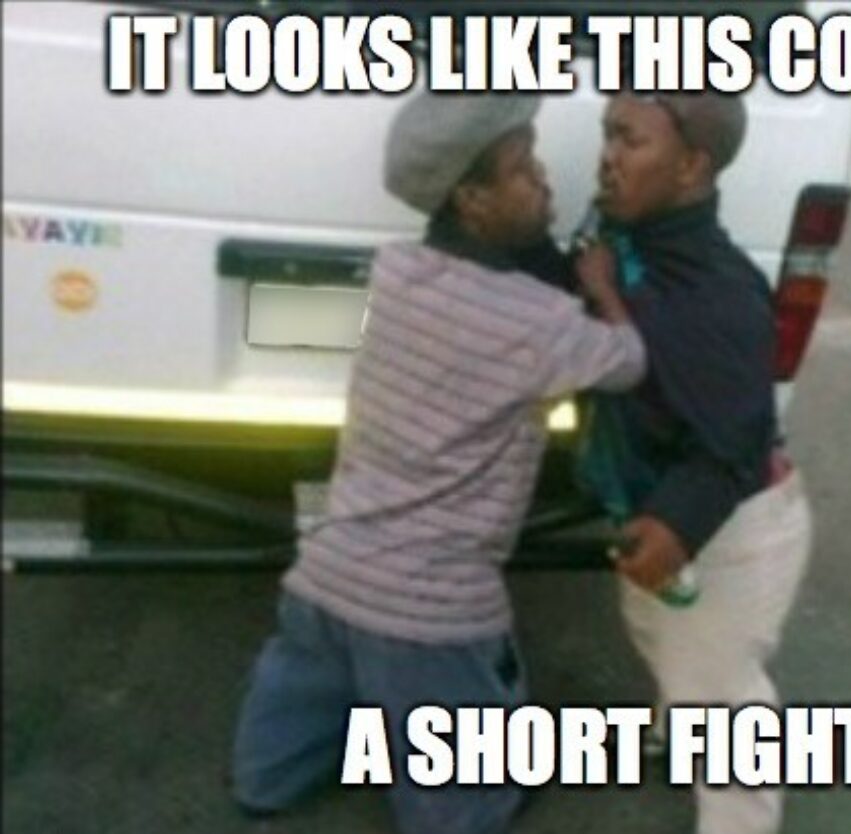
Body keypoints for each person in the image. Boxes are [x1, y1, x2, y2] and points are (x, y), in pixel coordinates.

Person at [231, 93, 646, 834]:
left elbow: (485, 297)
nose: (544, 177)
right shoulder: (541, 324)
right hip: (429, 615)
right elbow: (628, 362)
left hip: (324, 578)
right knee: (465, 809)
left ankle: (270, 779)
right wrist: (603, 290)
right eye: (522, 167)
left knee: (278, 744)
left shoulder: (396, 272)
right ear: (472, 200)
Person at [578, 91, 812, 834]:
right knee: (658, 638)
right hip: (667, 506)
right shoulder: (628, 238)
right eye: (607, 134)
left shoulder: (720, 294)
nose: (607, 157)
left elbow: (735, 443)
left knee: (720, 705)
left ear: (690, 167)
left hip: (733, 530)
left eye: (630, 141)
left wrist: (677, 524)